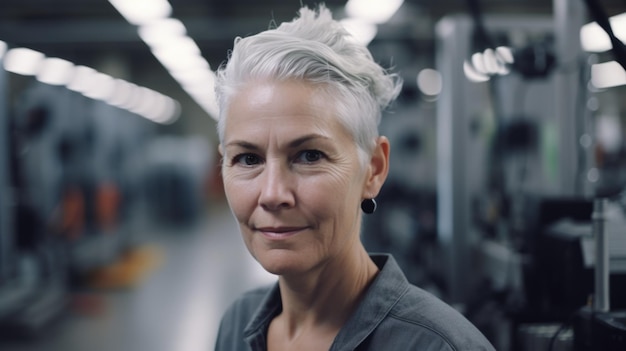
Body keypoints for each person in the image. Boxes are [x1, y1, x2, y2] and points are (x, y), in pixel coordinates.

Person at [213, 5, 495, 351]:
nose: (273, 194)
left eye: (309, 156)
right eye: (248, 158)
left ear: (373, 169)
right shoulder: (238, 325)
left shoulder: (438, 346)